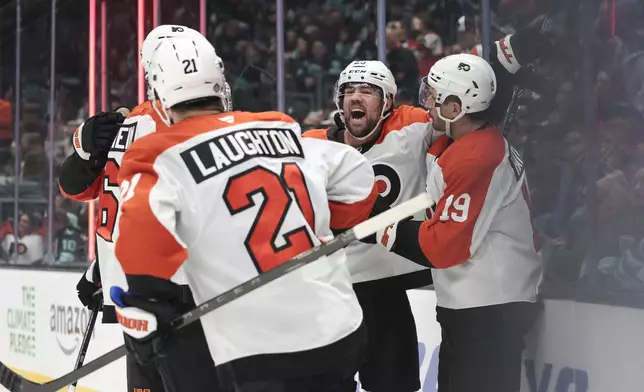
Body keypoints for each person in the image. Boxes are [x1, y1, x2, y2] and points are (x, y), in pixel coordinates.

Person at [110, 35, 380, 392]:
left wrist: (143, 311)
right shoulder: (280, 128)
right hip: (340, 329)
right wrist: (314, 220)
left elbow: (141, 239)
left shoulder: (158, 154)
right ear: (221, 85)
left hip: (261, 350)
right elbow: (359, 180)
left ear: (160, 101)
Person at [58, 25, 230, 392]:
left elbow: (103, 203)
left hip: (138, 303)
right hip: (185, 304)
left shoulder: (124, 125)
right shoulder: (196, 126)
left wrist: (106, 266)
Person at [370, 53, 542, 392]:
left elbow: (445, 247)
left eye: (433, 97)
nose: (427, 104)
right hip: (477, 305)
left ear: (455, 108)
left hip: (489, 311)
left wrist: (381, 225)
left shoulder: (477, 155)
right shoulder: (468, 142)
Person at [304, 61, 433, 392]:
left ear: (388, 102)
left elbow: (461, 114)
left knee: (394, 386)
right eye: (348, 91)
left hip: (386, 291)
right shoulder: (312, 146)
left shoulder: (413, 128)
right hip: (333, 294)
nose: (355, 97)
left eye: (367, 91)